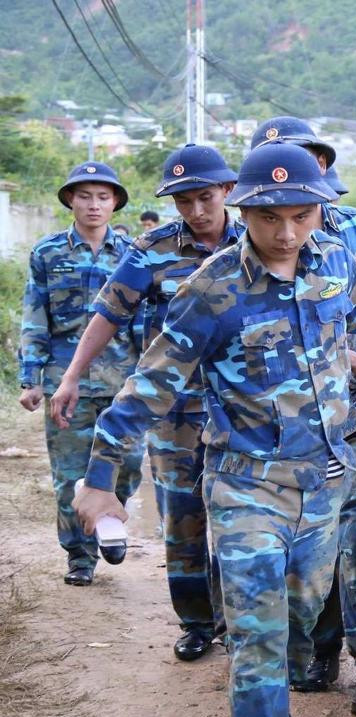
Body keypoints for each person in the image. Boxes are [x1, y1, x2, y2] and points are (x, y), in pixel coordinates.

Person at [73, 143, 356, 717]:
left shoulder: (338, 263)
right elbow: (152, 383)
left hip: (326, 483)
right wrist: (101, 476)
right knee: (257, 632)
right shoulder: (213, 288)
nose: (286, 233)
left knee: (299, 620)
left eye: (302, 216)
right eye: (270, 217)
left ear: (319, 212)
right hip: (247, 487)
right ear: (244, 209)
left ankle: (272, 701)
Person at [50, 144, 240, 661]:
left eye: (205, 197)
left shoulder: (255, 241)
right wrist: (71, 376)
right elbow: (108, 315)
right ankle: (197, 622)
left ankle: (236, 622)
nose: (196, 211)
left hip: (242, 408)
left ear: (227, 191)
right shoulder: (152, 249)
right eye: (184, 201)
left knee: (236, 516)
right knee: (181, 516)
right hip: (173, 409)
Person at [248, 118, 356, 717]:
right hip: (275, 429)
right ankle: (307, 652)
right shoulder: (243, 242)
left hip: (353, 418)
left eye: (309, 162)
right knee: (293, 551)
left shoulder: (355, 231)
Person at [17, 161, 145, 586]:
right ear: (70, 199)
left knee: (126, 465)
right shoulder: (48, 253)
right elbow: (36, 317)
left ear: (115, 204)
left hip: (122, 381)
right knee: (70, 474)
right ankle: (79, 556)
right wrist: (31, 378)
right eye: (85, 195)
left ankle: (109, 524)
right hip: (63, 382)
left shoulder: (133, 254)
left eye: (103, 197)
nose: (94, 205)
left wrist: (153, 379)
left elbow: (143, 320)